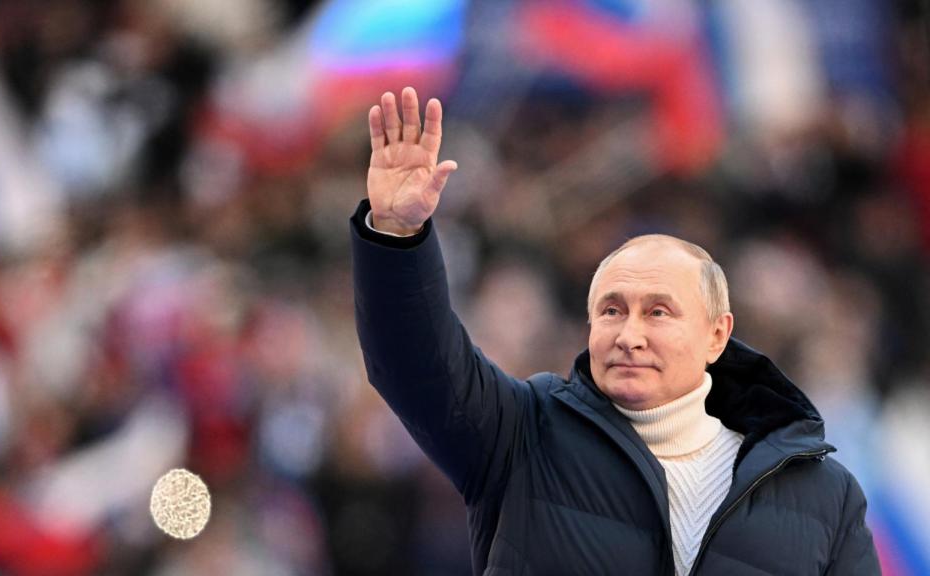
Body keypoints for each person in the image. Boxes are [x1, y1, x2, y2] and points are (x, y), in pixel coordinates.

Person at [350, 87, 880, 575]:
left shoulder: (823, 498)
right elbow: (416, 364)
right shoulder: (523, 433)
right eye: (610, 310)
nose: (629, 333)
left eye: (658, 312)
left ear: (717, 336)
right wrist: (397, 234)